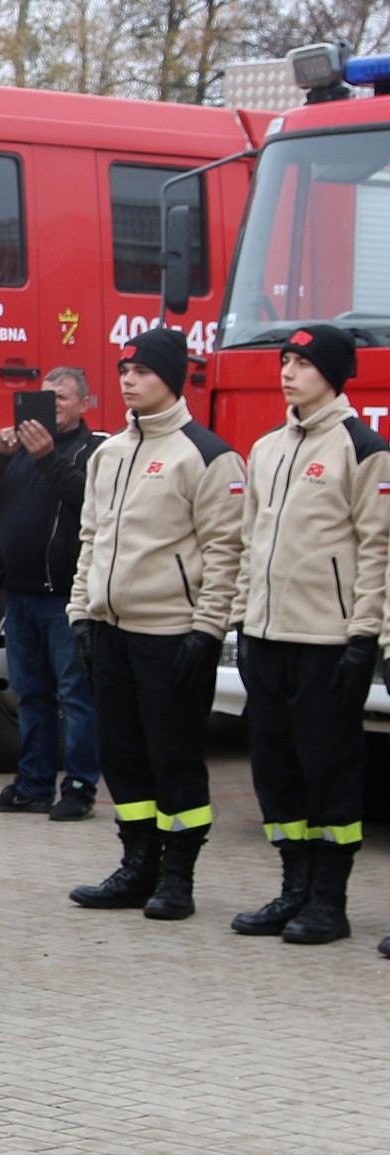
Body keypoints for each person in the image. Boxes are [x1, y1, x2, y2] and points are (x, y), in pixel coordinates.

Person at [67, 329, 244, 921]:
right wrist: (80, 613)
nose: (127, 380)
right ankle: (137, 863)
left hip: (171, 633)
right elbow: (91, 541)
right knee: (122, 754)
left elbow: (225, 551)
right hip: (110, 629)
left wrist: (207, 630)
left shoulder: (208, 455)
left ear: (170, 377)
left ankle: (178, 874)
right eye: (123, 370)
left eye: (141, 371)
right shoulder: (109, 452)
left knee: (175, 757)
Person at [229, 326, 385, 946]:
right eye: (285, 361)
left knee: (329, 770)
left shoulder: (362, 447)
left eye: (302, 363)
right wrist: (243, 620)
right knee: (276, 769)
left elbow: (377, 549)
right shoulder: (267, 447)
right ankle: (293, 888)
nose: (288, 372)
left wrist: (364, 635)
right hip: (267, 634)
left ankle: (329, 900)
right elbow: (249, 543)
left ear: (332, 373)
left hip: (325, 638)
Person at [0, 367, 105, 820]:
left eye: (63, 398)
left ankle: (80, 787)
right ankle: (33, 784)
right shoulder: (19, 449)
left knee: (74, 694)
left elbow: (89, 499)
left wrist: (47, 458)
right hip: (17, 594)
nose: (53, 405)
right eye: (46, 398)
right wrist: (2, 454)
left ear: (85, 404)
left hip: (64, 595)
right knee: (31, 694)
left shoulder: (94, 450)